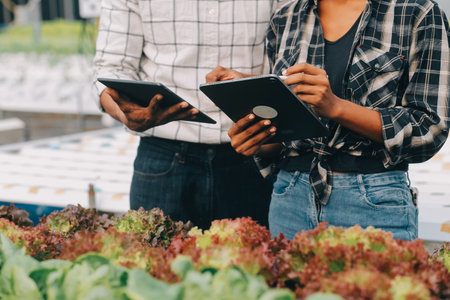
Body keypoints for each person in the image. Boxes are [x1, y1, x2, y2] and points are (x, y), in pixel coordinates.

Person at [207, 0, 450, 240]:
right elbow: (286, 138)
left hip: (373, 204)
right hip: (289, 199)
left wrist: (337, 108)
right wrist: (258, 139)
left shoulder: (417, 12)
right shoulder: (286, 15)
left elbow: (428, 129)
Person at [92, 0, 291, 229]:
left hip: (255, 155)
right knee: (154, 262)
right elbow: (110, 67)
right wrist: (126, 114)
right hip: (163, 158)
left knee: (253, 263)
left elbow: (288, 63)